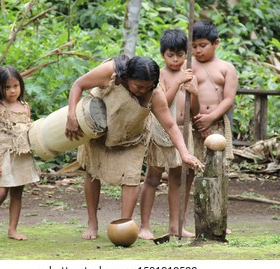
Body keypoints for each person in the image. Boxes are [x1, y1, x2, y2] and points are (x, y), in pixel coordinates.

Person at [65, 55, 204, 240]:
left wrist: (185, 153)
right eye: (138, 86)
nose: (142, 90)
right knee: (93, 172)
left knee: (131, 177)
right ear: (127, 77)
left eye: (148, 86)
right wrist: (71, 115)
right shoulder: (110, 72)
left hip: (133, 136)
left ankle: (124, 225)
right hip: (100, 127)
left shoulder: (155, 95)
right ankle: (92, 223)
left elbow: (170, 126)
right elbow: (78, 85)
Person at [139, 29, 199, 240]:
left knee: (178, 179)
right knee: (153, 177)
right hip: (162, 130)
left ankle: (176, 225)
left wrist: (194, 91)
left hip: (184, 131)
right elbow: (162, 101)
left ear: (186, 53)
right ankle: (144, 226)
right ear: (163, 54)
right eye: (170, 55)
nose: (175, 59)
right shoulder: (160, 75)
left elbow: (196, 109)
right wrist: (178, 81)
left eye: (180, 55)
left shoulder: (191, 74)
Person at [0, 66, 40, 242]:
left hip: (21, 155)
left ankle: (12, 229)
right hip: (4, 155)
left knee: (17, 193)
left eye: (16, 86)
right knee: (0, 193)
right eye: (7, 87)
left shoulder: (25, 107)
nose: (12, 90)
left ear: (21, 86)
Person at [191, 20, 238, 234]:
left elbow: (229, 99)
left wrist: (210, 118)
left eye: (203, 45)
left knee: (217, 171)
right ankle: (185, 222)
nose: (198, 50)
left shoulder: (227, 68)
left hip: (216, 124)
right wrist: (199, 121)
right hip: (193, 125)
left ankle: (219, 218)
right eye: (194, 46)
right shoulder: (187, 66)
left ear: (216, 43)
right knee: (191, 171)